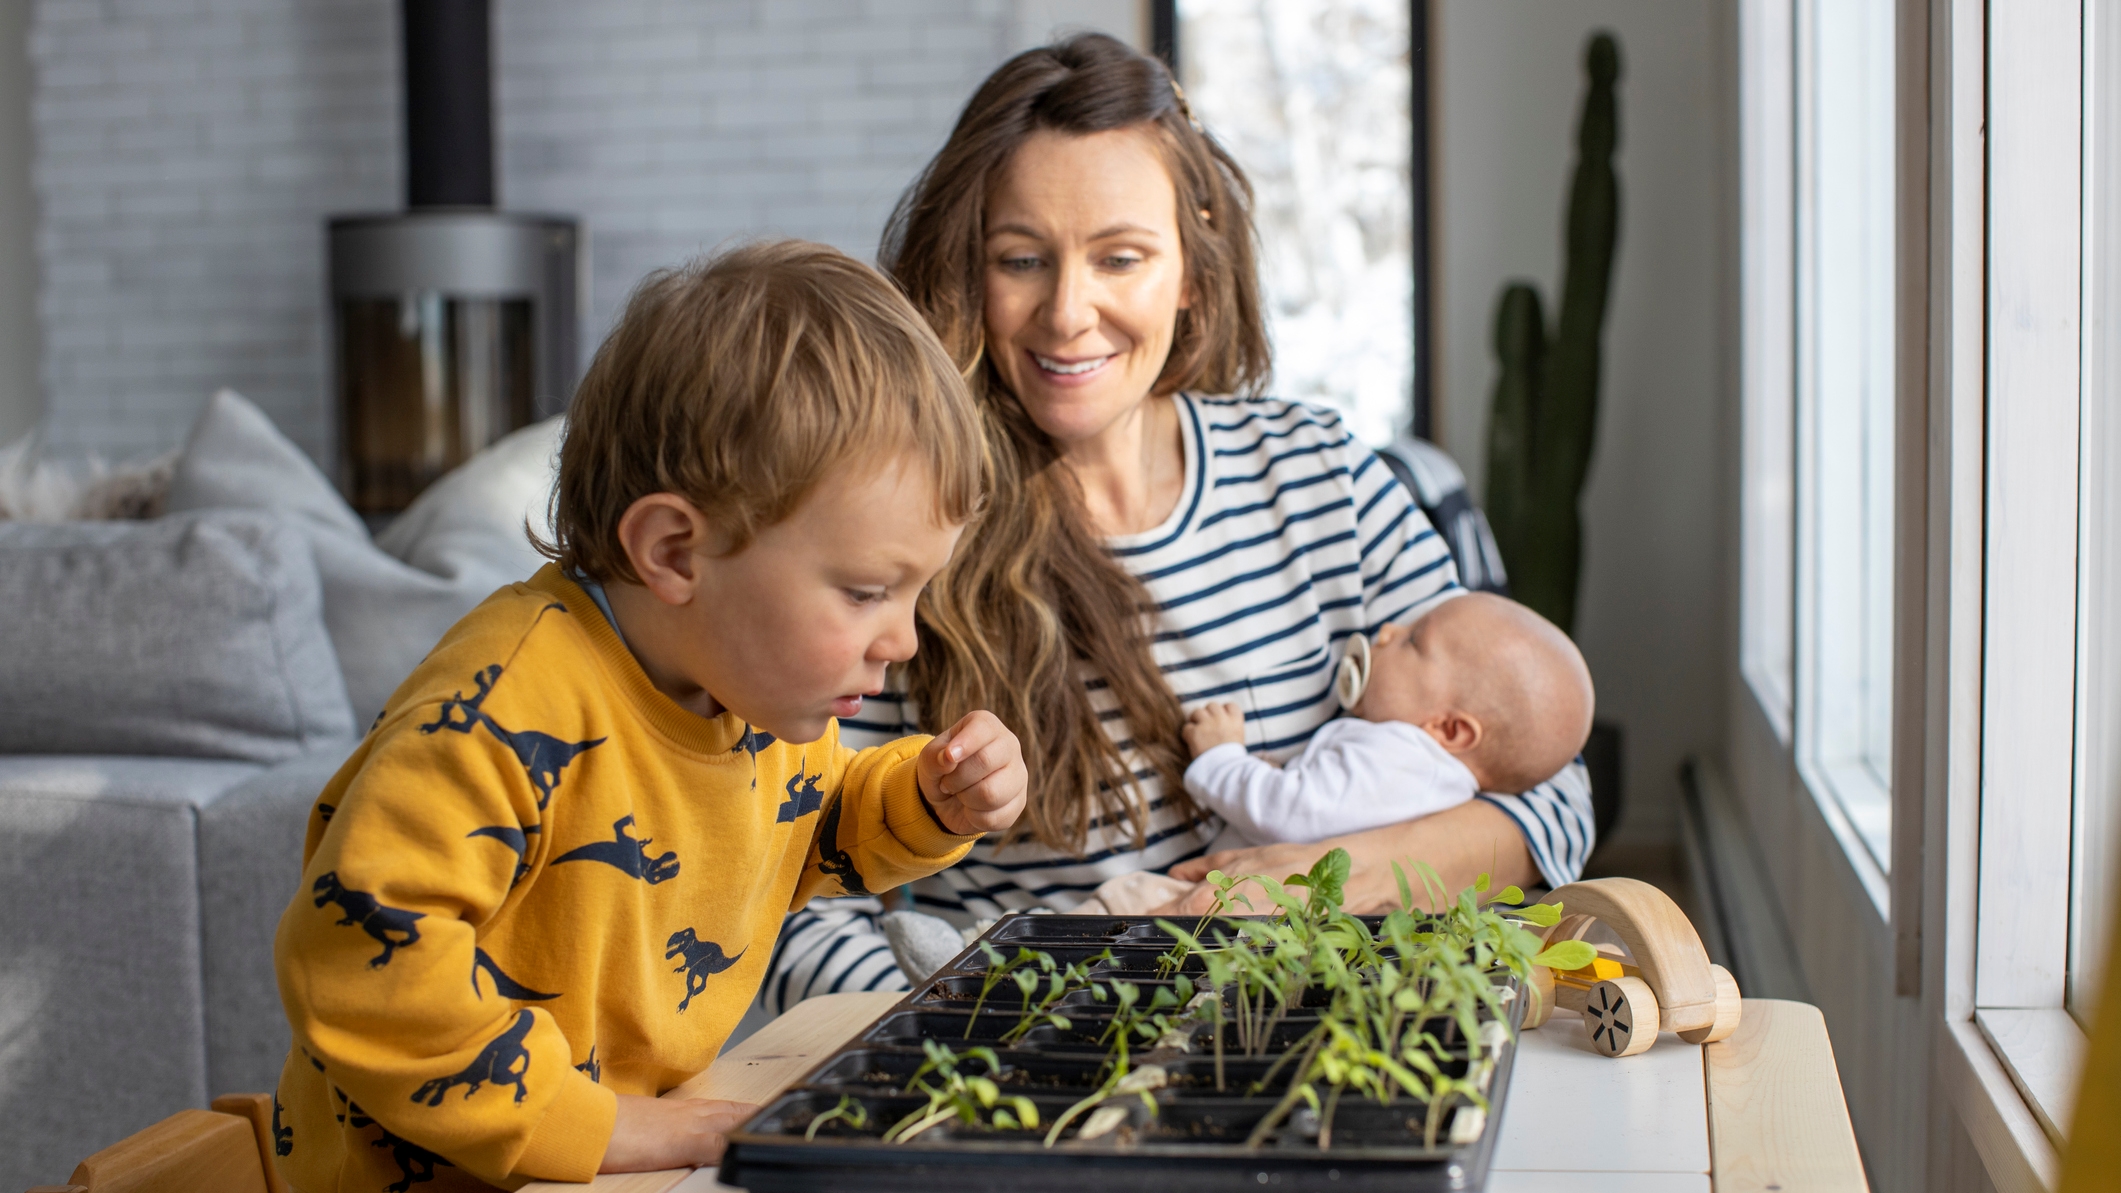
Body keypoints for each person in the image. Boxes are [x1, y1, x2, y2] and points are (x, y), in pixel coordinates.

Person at [764, 34, 1594, 1007]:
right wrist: (958, 1038)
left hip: (1317, 1030)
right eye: (1021, 259)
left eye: (1121, 257)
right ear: (965, 272)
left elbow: (1547, 786)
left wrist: (1323, 880)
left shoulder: (1321, 473)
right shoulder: (898, 528)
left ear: (1192, 272)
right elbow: (788, 888)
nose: (1069, 312)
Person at [270, 241, 1028, 1190]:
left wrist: (926, 801)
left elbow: (813, 827)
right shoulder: (504, 705)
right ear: (674, 551)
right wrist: (590, 1124)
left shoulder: (741, 689)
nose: (903, 640)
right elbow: (356, 950)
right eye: (868, 590)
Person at [1084, 594, 1593, 915]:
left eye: (1414, 642)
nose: (1387, 632)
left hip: (1244, 906)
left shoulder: (1397, 752)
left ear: (1449, 728)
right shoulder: (1425, 771)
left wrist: (1222, 760)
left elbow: (1294, 814)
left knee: (1118, 902)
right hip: (1277, 910)